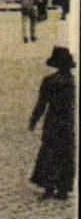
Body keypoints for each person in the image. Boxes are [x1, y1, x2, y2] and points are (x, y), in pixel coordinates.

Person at [28, 47, 75, 200]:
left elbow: (41, 104)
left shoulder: (49, 81)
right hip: (67, 122)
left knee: (49, 152)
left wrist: (33, 121)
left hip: (53, 121)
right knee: (65, 154)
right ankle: (63, 188)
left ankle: (48, 186)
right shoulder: (72, 82)